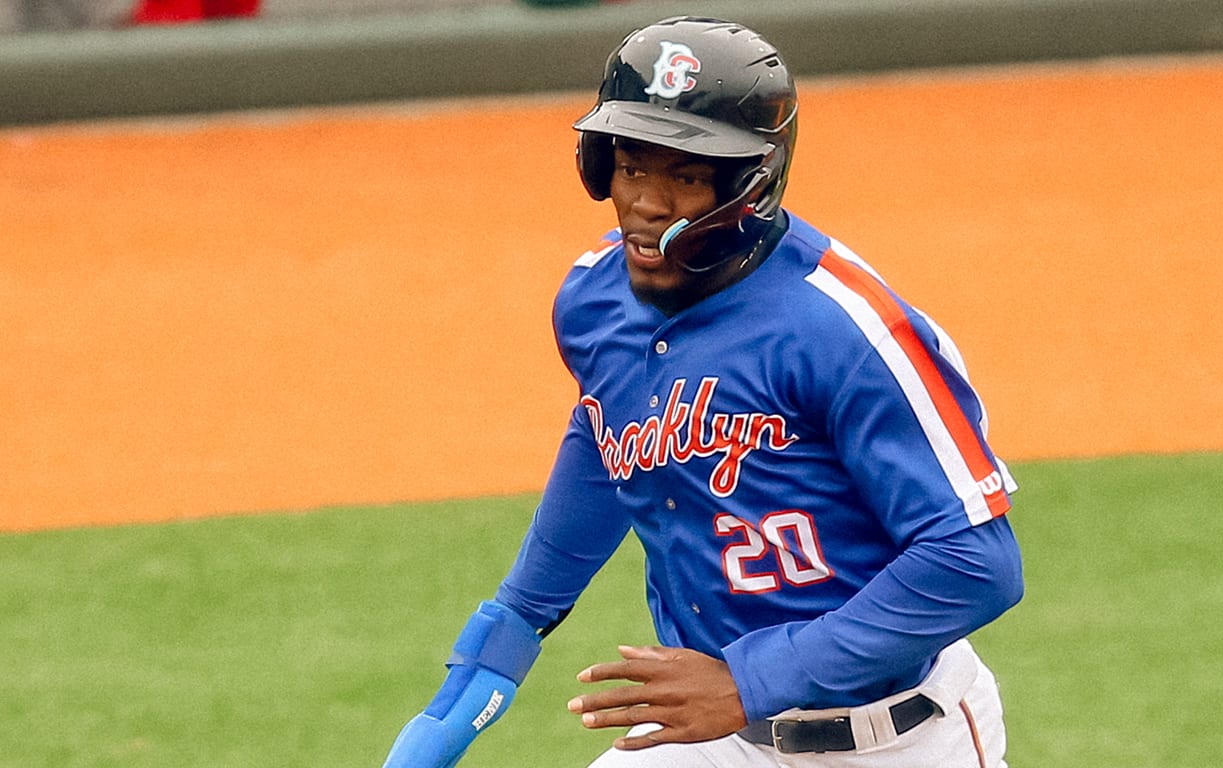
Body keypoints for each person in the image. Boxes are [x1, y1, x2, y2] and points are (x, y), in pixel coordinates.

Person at [379, 15, 1024, 768]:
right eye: (630, 166)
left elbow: (976, 562)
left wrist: (752, 680)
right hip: (715, 741)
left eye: (684, 176)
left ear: (749, 185)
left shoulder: (842, 332)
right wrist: (502, 639)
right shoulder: (593, 300)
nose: (646, 204)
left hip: (896, 737)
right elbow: (606, 441)